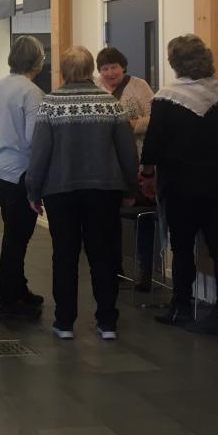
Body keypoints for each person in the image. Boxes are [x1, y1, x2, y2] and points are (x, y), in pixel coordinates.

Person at [26, 46, 139, 341]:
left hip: (60, 190)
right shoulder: (111, 104)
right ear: (91, 69)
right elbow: (128, 153)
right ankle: (107, 321)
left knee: (65, 254)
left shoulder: (50, 104)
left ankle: (64, 321)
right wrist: (131, 187)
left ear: (62, 70)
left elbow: (39, 153)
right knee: (103, 254)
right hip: (104, 190)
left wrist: (33, 190)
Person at [141, 34, 218, 336]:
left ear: (174, 63)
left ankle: (181, 307)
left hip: (180, 185)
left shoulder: (167, 98)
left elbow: (153, 144)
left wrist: (147, 175)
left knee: (182, 247)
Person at [0, 35, 47, 321]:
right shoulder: (32, 93)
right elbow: (35, 139)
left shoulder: (1, 85)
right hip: (19, 171)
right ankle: (8, 300)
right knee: (17, 238)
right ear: (37, 61)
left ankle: (18, 288)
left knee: (13, 234)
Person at [96, 46, 156, 289]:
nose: (110, 73)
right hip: (106, 164)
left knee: (144, 218)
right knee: (107, 216)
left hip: (138, 162)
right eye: (105, 68)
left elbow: (155, 118)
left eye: (114, 67)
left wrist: (131, 124)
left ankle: (145, 269)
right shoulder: (95, 88)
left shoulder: (139, 86)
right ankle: (113, 267)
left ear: (123, 67)